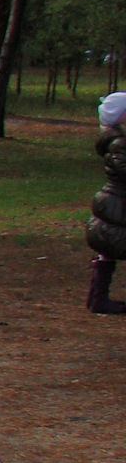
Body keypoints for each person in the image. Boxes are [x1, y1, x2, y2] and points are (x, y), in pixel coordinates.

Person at [88, 91, 126, 314]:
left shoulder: (115, 141)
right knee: (112, 246)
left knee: (109, 249)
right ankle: (98, 299)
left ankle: (97, 298)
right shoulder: (119, 143)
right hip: (118, 202)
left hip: (115, 200)